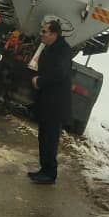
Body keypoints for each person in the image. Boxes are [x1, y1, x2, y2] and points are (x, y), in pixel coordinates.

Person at [28, 18, 73, 185]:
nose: (41, 34)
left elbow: (59, 74)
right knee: (43, 136)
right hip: (46, 101)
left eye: (44, 32)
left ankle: (50, 173)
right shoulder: (49, 48)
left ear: (54, 34)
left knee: (50, 138)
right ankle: (44, 169)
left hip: (56, 104)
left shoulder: (63, 50)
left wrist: (39, 81)